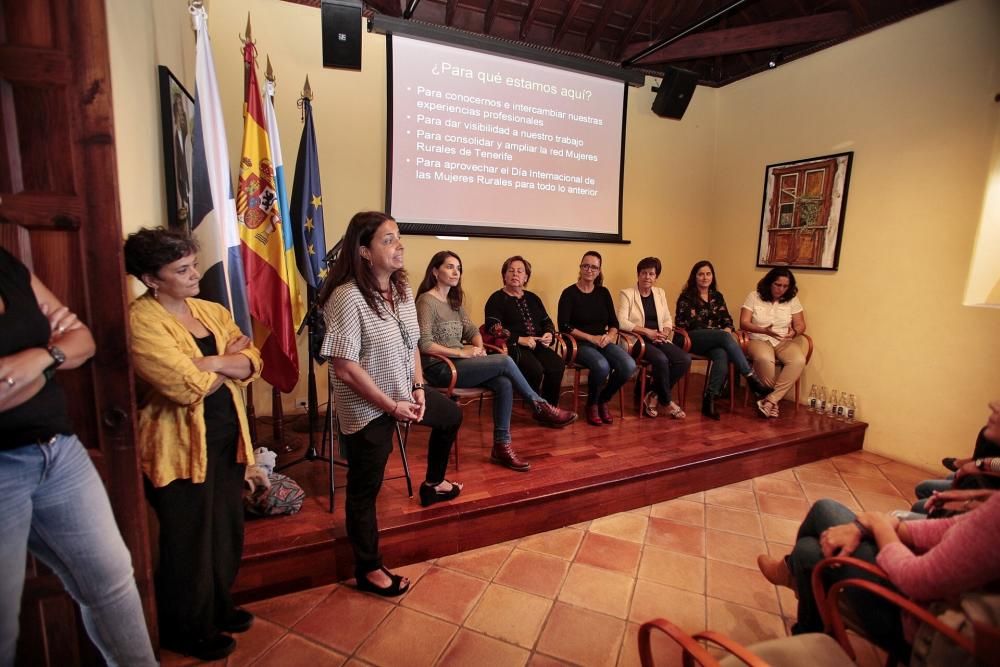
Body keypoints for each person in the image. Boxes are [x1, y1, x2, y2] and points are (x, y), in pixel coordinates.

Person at [0, 248, 157, 667]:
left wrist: (41, 356)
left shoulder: (6, 265)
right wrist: (49, 356)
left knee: (112, 579)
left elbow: (81, 341)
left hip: (57, 450)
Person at [124, 227, 261, 661]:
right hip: (177, 447)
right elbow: (182, 386)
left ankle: (218, 605)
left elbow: (253, 361)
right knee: (188, 540)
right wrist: (226, 363)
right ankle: (187, 626)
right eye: (181, 269)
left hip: (227, 438)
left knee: (225, 530)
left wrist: (211, 363)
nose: (194, 274)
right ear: (151, 279)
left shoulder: (211, 309)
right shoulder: (140, 320)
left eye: (193, 264)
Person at [319, 212, 464, 598]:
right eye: (388, 240)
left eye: (398, 238)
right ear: (364, 251)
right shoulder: (347, 297)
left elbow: (412, 344)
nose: (399, 246)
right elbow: (345, 367)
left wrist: (417, 387)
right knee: (365, 490)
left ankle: (433, 482)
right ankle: (368, 568)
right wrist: (390, 405)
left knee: (451, 415)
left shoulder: (401, 290)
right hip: (368, 407)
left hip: (404, 392)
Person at [757, 493, 1000, 659]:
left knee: (824, 511)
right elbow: (948, 529)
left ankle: (790, 575)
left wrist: (880, 526)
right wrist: (873, 526)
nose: (994, 413)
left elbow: (916, 579)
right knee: (809, 551)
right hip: (936, 615)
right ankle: (806, 634)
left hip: (924, 631)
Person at [417, 251, 576, 473]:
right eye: (449, 267)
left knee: (504, 382)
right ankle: (539, 404)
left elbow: (472, 329)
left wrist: (478, 346)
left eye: (458, 268)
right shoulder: (426, 300)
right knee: (504, 361)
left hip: (460, 363)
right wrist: (463, 353)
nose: (456, 272)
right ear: (435, 271)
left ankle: (501, 445)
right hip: (441, 367)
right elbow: (424, 344)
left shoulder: (454, 301)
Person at [674, 260, 770, 420]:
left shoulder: (717, 296)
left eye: (708, 274)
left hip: (715, 340)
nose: (705, 278)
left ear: (712, 276)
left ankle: (709, 399)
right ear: (694, 277)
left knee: (721, 354)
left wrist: (726, 328)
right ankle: (751, 377)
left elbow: (727, 320)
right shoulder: (686, 297)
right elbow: (689, 324)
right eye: (701, 274)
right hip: (691, 338)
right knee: (724, 337)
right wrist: (721, 332)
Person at [558, 251, 637, 426]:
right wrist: (591, 338)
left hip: (602, 341)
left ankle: (603, 399)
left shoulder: (603, 293)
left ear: (599, 270)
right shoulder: (569, 293)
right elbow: (564, 326)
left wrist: (609, 336)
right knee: (602, 366)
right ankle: (592, 404)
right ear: (580, 267)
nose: (589, 270)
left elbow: (614, 323)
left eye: (594, 267)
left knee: (629, 365)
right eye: (585, 265)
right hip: (578, 344)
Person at [484, 255, 565, 406]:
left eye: (520, 271)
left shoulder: (533, 298)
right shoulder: (496, 299)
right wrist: (519, 339)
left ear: (526, 277)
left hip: (537, 345)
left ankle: (549, 406)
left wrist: (549, 334)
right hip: (513, 347)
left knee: (557, 365)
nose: (515, 274)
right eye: (511, 271)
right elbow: (493, 328)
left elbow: (547, 321)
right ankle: (535, 405)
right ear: (504, 275)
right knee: (535, 369)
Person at [617, 257, 691, 418]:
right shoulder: (627, 294)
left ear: (656, 277)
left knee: (684, 359)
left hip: (658, 338)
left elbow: (666, 318)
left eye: (651, 274)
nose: (647, 277)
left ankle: (654, 394)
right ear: (638, 274)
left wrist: (664, 331)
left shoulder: (660, 293)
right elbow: (621, 322)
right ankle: (667, 401)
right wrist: (646, 332)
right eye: (644, 273)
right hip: (636, 340)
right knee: (661, 359)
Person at [739, 267, 807, 419]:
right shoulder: (754, 296)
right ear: (770, 282)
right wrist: (763, 330)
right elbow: (743, 322)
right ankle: (771, 400)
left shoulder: (792, 300)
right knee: (765, 359)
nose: (781, 289)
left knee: (798, 360)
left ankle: (769, 400)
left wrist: (794, 332)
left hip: (783, 340)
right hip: (758, 338)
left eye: (785, 286)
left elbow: (801, 324)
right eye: (777, 285)